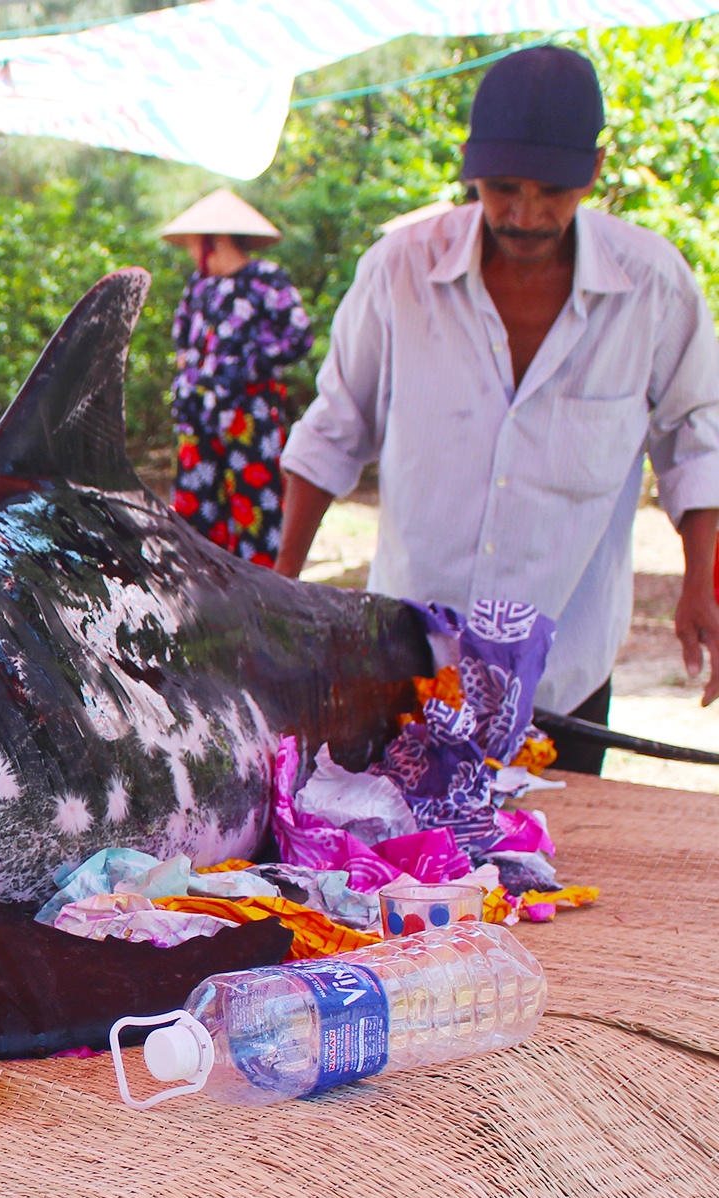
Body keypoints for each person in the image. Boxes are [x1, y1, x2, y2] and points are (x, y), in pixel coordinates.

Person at [275, 46, 719, 774]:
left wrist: (700, 585)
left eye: (553, 190)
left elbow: (697, 438)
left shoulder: (653, 288)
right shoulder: (399, 274)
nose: (525, 213)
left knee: (556, 875)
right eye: (503, 186)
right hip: (412, 672)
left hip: (563, 680)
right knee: (410, 880)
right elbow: (334, 428)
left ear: (595, 173)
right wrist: (282, 590)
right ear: (467, 165)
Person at [160, 189, 314, 566]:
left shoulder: (266, 280)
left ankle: (262, 592)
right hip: (198, 414)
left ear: (217, 240)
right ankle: (203, 589)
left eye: (196, 244)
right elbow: (182, 340)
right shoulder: (198, 286)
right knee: (197, 509)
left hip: (249, 414)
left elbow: (299, 336)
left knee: (255, 503)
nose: (193, 254)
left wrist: (249, 364)